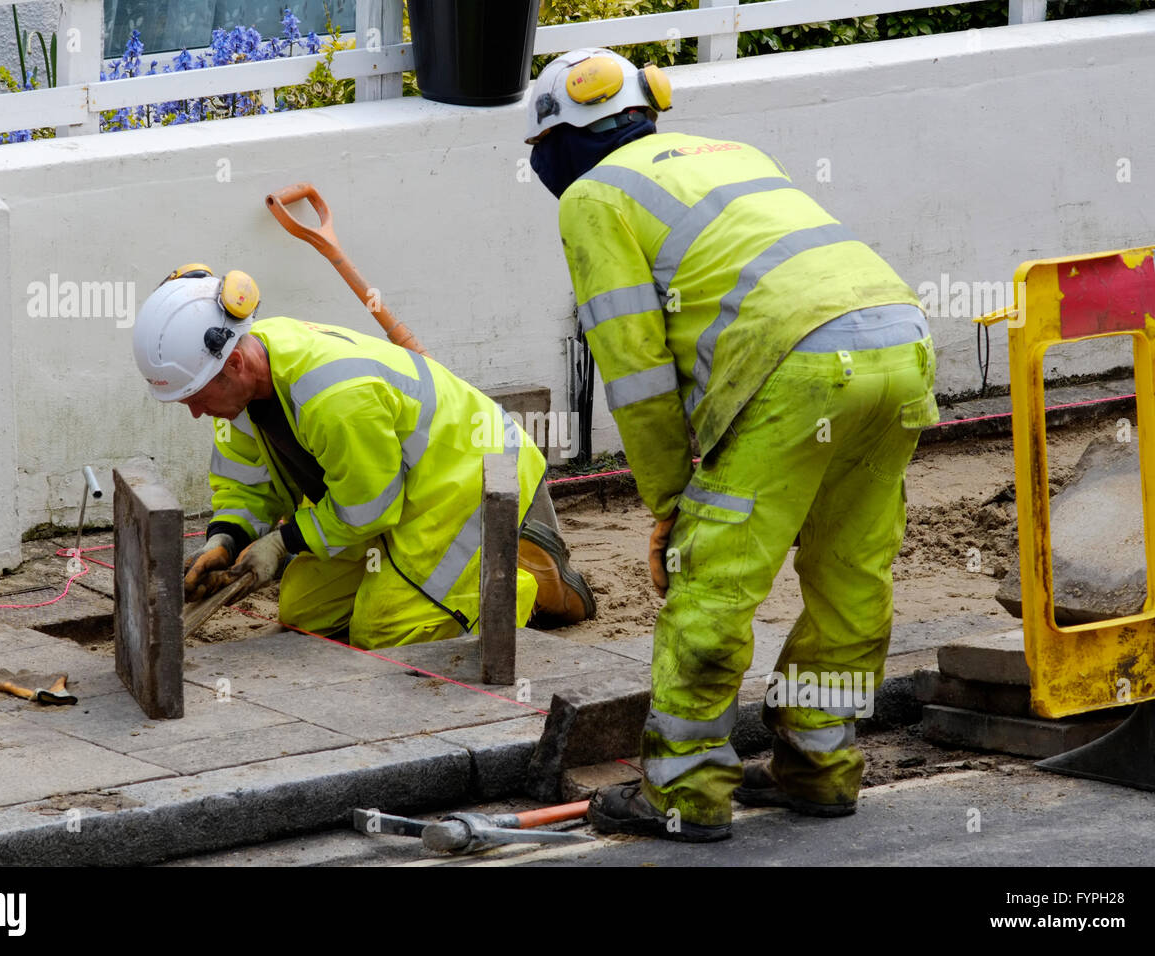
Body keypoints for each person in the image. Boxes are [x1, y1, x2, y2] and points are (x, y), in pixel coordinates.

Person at [525, 49, 939, 841]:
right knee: (852, 572)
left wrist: (671, 502)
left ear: (560, 141)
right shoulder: (730, 154)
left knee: (713, 587)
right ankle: (818, 769)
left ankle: (683, 796)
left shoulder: (592, 194)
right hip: (902, 341)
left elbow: (636, 369)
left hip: (799, 366)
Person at [131, 264, 595, 650]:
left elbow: (370, 507)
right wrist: (225, 541)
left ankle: (517, 585)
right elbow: (245, 484)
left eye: (196, 395)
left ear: (232, 364)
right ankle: (416, 578)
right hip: (390, 489)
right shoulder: (243, 376)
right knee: (303, 613)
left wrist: (282, 542)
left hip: (463, 478)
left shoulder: (336, 394)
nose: (194, 411)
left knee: (384, 632)